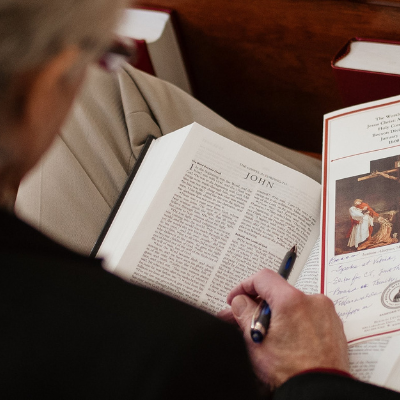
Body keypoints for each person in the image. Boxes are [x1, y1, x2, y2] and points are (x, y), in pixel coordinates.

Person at [1, 0, 400, 398]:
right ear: (41, 84)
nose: (100, 64)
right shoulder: (183, 353)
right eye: (102, 52)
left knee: (104, 87)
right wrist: (314, 374)